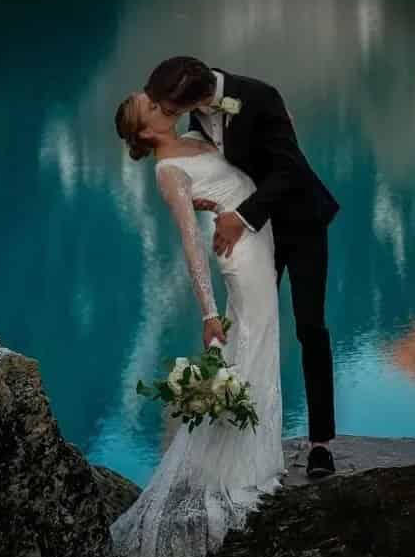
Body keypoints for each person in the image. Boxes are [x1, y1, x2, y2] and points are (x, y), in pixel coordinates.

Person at [111, 91, 284, 557]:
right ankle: (243, 466)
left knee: (263, 337)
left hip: (254, 231)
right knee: (254, 336)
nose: (154, 100)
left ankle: (255, 456)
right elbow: (191, 248)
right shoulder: (168, 172)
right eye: (146, 104)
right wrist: (209, 315)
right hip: (238, 253)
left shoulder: (191, 134)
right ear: (146, 130)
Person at [145, 55, 338, 480]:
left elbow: (289, 170)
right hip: (254, 236)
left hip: (299, 223)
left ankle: (321, 443)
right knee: (247, 324)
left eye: (169, 108)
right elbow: (216, 158)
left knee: (309, 326)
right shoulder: (195, 110)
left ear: (194, 96)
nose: (165, 115)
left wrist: (240, 216)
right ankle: (243, 439)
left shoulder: (260, 96)